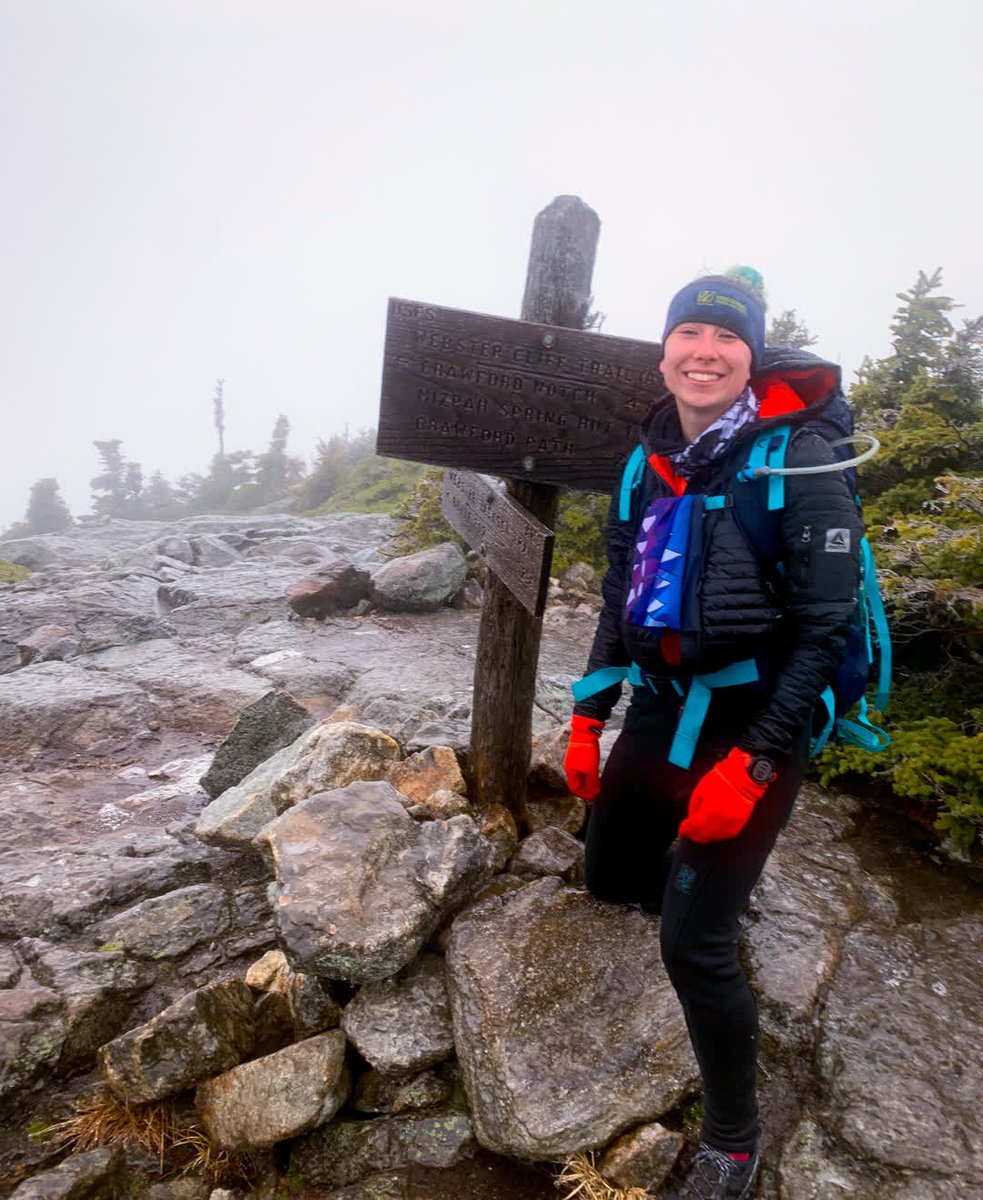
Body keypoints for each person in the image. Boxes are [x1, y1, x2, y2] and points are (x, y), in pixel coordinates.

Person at [563, 267, 863, 1200]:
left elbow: (826, 633)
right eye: (687, 334)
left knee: (692, 942)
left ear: (752, 356)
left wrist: (757, 761)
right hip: (664, 702)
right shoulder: (643, 461)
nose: (704, 351)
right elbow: (620, 597)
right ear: (663, 355)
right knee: (609, 877)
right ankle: (702, 877)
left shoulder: (798, 462)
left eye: (725, 338)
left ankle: (733, 1139)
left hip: (757, 715)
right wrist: (587, 712)